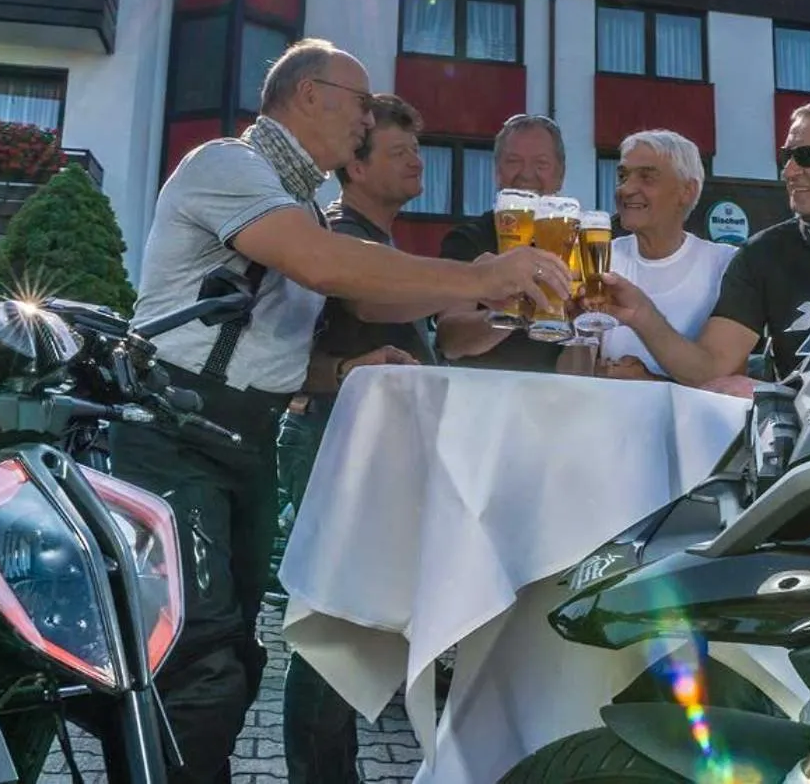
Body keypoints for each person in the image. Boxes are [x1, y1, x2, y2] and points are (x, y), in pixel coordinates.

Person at [115, 39, 571, 783]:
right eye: (360, 103)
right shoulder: (228, 166)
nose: (366, 120)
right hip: (175, 432)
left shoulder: (296, 204)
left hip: (243, 439)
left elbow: (332, 316)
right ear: (307, 94)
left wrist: (348, 363)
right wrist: (480, 274)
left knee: (232, 653)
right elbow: (325, 267)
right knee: (199, 658)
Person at [279, 93, 437, 784]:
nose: (417, 161)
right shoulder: (345, 232)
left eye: (417, 149)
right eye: (399, 151)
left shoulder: (376, 239)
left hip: (358, 447)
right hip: (333, 443)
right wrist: (481, 284)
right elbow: (371, 303)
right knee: (333, 625)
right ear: (358, 166)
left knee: (346, 622)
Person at [599, 97, 810, 393]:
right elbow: (713, 372)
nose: (789, 171)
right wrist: (640, 313)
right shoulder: (763, 253)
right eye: (787, 157)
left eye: (808, 156)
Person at [581, 130, 737, 381]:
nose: (627, 189)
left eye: (646, 178)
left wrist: (651, 383)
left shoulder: (725, 264)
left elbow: (730, 382)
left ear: (687, 190)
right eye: (622, 176)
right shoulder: (602, 256)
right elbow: (570, 373)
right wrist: (579, 334)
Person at [434, 113, 573, 373]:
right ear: (498, 172)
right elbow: (449, 339)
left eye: (541, 164)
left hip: (551, 403)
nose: (526, 174)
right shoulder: (469, 238)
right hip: (481, 400)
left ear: (560, 175)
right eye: (513, 162)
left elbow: (577, 363)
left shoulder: (574, 244)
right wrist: (514, 314)